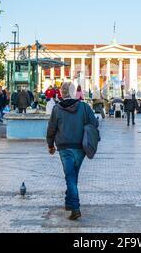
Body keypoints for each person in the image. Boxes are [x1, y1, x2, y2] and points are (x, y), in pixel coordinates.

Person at [47, 82, 99, 221]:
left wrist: (50, 145)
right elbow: (94, 123)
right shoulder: (84, 107)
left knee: (70, 176)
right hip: (80, 147)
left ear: (62, 93)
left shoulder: (57, 109)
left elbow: (51, 128)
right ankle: (69, 202)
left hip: (64, 147)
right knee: (72, 175)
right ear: (74, 92)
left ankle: (75, 208)